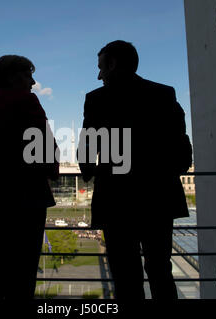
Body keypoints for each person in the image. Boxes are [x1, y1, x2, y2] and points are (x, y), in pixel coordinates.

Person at [78, 40, 192, 299]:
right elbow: (182, 148)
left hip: (116, 199)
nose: (99, 75)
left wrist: (89, 171)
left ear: (113, 64)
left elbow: (87, 146)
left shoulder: (97, 99)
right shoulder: (164, 93)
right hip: (159, 197)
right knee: (161, 270)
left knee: (125, 274)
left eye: (101, 68)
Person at [0, 55, 59, 299]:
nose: (33, 82)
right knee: (21, 280)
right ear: (12, 77)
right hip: (24, 204)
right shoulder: (27, 101)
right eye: (28, 75)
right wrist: (52, 171)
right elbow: (46, 150)